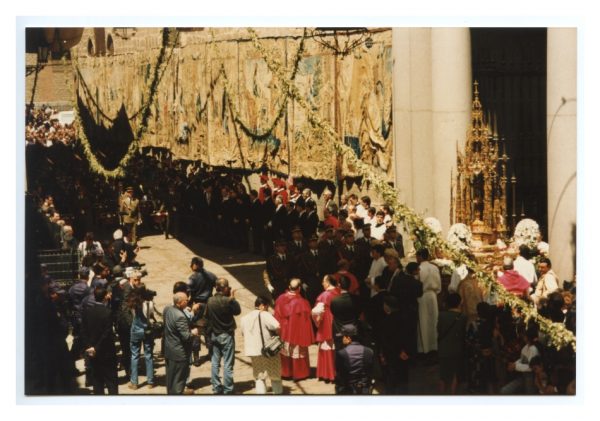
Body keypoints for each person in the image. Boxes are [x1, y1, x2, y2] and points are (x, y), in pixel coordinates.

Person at [205, 278, 241, 394]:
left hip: (214, 334)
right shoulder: (228, 301)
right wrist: (233, 299)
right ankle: (228, 389)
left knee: (215, 362)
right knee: (228, 364)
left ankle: (216, 387)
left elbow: (206, 316)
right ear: (225, 288)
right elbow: (237, 311)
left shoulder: (210, 300)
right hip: (226, 335)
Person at [241, 296, 283, 394]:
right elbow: (277, 326)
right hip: (268, 350)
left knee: (259, 375)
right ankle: (278, 395)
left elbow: (243, 333)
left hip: (252, 351)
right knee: (274, 374)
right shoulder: (264, 314)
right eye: (267, 307)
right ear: (262, 306)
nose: (267, 309)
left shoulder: (244, 318)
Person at [274, 278, 315, 381]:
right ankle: (300, 373)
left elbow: (276, 316)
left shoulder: (280, 298)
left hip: (284, 332)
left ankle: (286, 373)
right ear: (299, 288)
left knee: (286, 351)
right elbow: (305, 321)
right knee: (298, 352)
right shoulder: (302, 302)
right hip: (297, 333)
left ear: (289, 287)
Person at [81, 287, 118, 395]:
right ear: (105, 297)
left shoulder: (87, 312)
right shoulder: (107, 312)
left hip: (92, 354)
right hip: (106, 353)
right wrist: (96, 347)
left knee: (97, 383)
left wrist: (89, 347)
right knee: (111, 382)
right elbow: (106, 334)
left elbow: (83, 331)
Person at [163, 292, 199, 394]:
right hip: (179, 353)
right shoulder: (180, 316)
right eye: (186, 300)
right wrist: (193, 332)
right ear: (180, 302)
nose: (188, 302)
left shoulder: (168, 309)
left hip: (169, 350)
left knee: (170, 380)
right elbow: (186, 336)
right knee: (179, 381)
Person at [187, 256, 217, 363]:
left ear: (194, 265)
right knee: (209, 330)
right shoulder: (211, 275)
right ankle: (211, 353)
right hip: (209, 305)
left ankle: (196, 357)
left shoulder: (192, 278)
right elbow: (218, 287)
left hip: (197, 307)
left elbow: (188, 293)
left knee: (196, 332)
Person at [311, 275, 341, 383]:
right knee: (336, 349)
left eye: (323, 281)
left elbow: (316, 312)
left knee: (326, 349)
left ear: (328, 282)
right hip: (338, 324)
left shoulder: (324, 295)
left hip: (327, 324)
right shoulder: (339, 292)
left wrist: (317, 321)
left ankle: (328, 374)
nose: (322, 283)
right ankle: (337, 373)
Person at [127, 286, 157, 390]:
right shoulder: (150, 304)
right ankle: (150, 381)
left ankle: (134, 382)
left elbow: (133, 315)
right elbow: (151, 315)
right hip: (147, 331)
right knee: (149, 355)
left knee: (135, 355)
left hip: (136, 330)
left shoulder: (133, 304)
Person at [437, 293, 467, 394]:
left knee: (443, 375)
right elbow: (463, 334)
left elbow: (439, 330)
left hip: (443, 349)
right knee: (455, 374)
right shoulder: (463, 317)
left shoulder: (441, 315)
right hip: (457, 349)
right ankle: (452, 395)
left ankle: (442, 395)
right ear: (459, 303)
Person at [334, 324, 374, 394]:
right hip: (365, 389)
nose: (342, 339)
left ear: (348, 338)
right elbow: (371, 371)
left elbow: (339, 373)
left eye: (343, 337)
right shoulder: (369, 351)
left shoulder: (341, 353)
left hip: (348, 390)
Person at [416, 248, 442, 356]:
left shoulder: (419, 269)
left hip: (422, 296)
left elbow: (417, 284)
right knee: (433, 321)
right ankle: (434, 347)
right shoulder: (435, 268)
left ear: (421, 257)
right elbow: (439, 285)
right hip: (433, 295)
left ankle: (425, 349)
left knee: (423, 321)